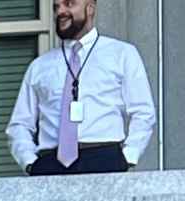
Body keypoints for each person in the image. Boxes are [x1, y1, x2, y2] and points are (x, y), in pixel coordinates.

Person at [9, 0, 154, 175]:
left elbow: (143, 112)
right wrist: (30, 163)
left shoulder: (122, 54)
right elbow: (20, 124)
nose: (60, 12)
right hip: (50, 163)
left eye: (69, 4)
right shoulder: (39, 66)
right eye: (56, 7)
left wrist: (128, 156)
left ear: (90, 8)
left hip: (104, 159)